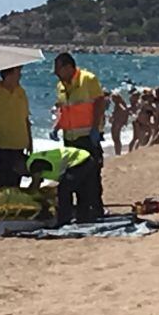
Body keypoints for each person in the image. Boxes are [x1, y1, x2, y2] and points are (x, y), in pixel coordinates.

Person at [53, 53, 106, 215]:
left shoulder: (87, 80)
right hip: (69, 139)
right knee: (74, 178)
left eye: (58, 70)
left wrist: (95, 128)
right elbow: (64, 110)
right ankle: (81, 210)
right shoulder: (60, 86)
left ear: (69, 68)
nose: (56, 74)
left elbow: (99, 103)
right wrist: (56, 127)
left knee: (91, 177)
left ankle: (95, 209)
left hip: (87, 137)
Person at [24, 147, 100, 226]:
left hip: (79, 161)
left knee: (64, 190)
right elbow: (39, 180)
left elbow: (35, 184)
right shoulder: (36, 159)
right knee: (80, 189)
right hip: (86, 158)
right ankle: (83, 216)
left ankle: (65, 219)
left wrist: (29, 196)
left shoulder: (33, 164)